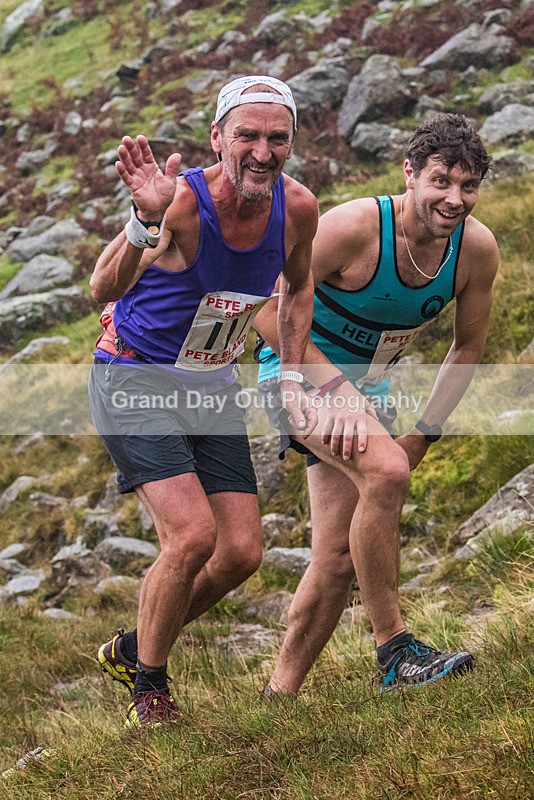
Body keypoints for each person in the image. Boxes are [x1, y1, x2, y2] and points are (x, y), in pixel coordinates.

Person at [88, 75, 318, 727]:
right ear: (217, 138)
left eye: (278, 137)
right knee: (191, 535)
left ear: (292, 143)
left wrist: (290, 376)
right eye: (247, 135)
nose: (262, 151)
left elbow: (297, 291)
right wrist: (144, 221)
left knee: (242, 551)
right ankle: (150, 689)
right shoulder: (181, 204)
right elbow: (100, 286)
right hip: (133, 377)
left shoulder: (298, 208)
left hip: (211, 383)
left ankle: (134, 646)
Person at [253, 112, 499, 695]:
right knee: (386, 473)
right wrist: (336, 393)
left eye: (468, 186)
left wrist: (424, 433)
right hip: (293, 374)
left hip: (371, 393)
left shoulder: (475, 251)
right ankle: (395, 653)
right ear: (410, 174)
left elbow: (467, 350)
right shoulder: (358, 227)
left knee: (338, 556)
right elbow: (267, 312)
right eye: (441, 181)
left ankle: (277, 696)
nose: (454, 199)